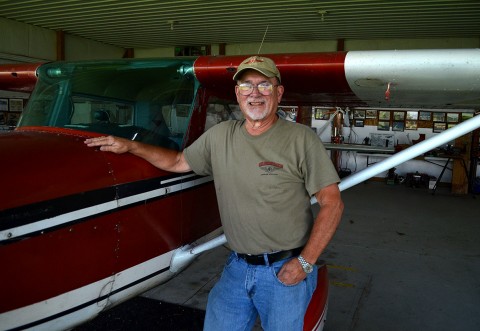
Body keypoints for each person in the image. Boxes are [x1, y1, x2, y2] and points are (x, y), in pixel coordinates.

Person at [85, 55, 344, 331]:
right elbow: (178, 162)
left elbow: (333, 204)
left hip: (284, 269)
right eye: (246, 86)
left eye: (264, 85)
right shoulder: (220, 135)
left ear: (278, 93)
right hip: (237, 267)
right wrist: (131, 147)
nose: (255, 94)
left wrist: (305, 263)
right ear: (237, 94)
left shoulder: (301, 139)